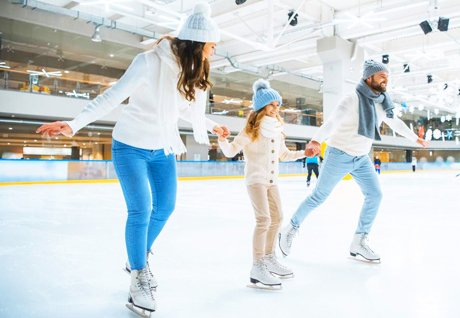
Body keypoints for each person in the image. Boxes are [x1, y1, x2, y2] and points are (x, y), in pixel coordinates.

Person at [36, 3, 228, 315]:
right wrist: (73, 124)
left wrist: (209, 124)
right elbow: (112, 96)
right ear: (197, 43)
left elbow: (182, 109)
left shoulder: (188, 72)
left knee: (165, 207)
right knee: (142, 209)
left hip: (162, 147)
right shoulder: (148, 62)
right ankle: (139, 275)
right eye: (212, 46)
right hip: (130, 146)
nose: (213, 53)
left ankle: (135, 254)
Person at [279, 60, 428, 262]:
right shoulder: (352, 99)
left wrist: (414, 138)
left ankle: (359, 241)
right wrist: (316, 140)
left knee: (375, 194)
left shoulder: (383, 102)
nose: (386, 79)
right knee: (318, 196)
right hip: (338, 154)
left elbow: (396, 123)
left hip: (361, 158)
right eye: (381, 75)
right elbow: (332, 122)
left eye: (387, 76)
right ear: (369, 77)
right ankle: (290, 229)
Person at [217, 79, 306, 289]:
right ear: (261, 106)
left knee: (278, 218)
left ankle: (268, 257)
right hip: (256, 180)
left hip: (272, 181)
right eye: (272, 104)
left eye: (278, 105)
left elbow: (284, 154)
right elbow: (230, 151)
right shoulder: (251, 131)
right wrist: (222, 139)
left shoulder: (276, 129)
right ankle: (257, 267)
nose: (277, 108)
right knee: (264, 219)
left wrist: (305, 153)